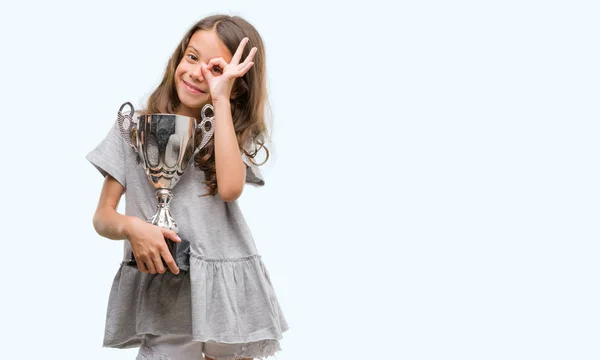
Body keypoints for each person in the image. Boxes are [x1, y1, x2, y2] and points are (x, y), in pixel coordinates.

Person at [86, 14, 289, 360]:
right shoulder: (133, 129)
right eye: (191, 57)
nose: (196, 72)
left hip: (224, 292)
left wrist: (220, 99)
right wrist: (133, 228)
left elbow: (230, 188)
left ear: (237, 82)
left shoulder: (222, 134)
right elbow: (102, 217)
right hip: (166, 291)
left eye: (215, 68)